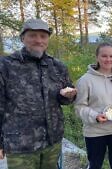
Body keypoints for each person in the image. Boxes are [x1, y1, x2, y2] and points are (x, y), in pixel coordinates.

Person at [0, 18, 77, 169]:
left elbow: (66, 98)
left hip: (52, 141)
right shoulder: (6, 66)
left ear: (48, 39)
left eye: (43, 36)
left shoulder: (57, 66)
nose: (38, 40)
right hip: (20, 145)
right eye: (33, 35)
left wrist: (68, 96)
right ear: (23, 38)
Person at [74, 42, 112, 169]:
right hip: (95, 131)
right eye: (104, 56)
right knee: (95, 165)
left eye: (111, 56)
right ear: (97, 57)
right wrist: (95, 116)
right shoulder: (85, 80)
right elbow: (79, 107)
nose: (108, 59)